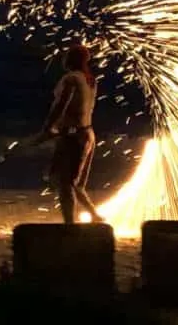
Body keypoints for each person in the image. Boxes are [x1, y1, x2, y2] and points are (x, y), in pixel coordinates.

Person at [42, 43, 103, 224]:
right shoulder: (90, 79)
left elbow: (61, 105)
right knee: (73, 183)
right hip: (88, 134)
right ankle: (95, 216)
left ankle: (69, 224)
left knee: (64, 182)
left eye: (67, 55)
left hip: (73, 136)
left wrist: (48, 127)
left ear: (70, 59)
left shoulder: (71, 79)